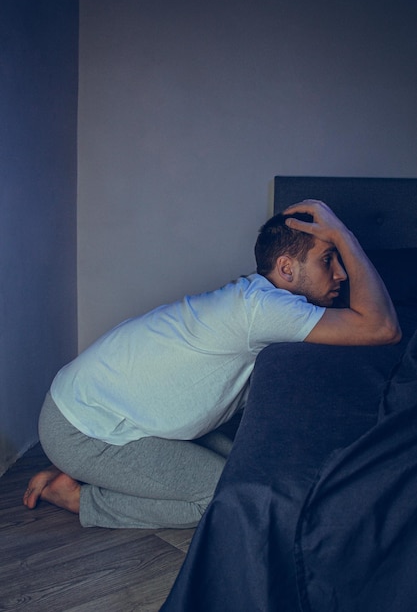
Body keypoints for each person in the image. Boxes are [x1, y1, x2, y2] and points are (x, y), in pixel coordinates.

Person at [23, 200, 401, 529]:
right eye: (327, 259)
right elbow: (382, 327)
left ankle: (92, 470)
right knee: (223, 498)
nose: (341, 273)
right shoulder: (265, 309)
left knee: (247, 473)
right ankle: (80, 500)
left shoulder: (258, 300)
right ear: (286, 268)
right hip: (80, 427)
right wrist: (345, 234)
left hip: (104, 413)